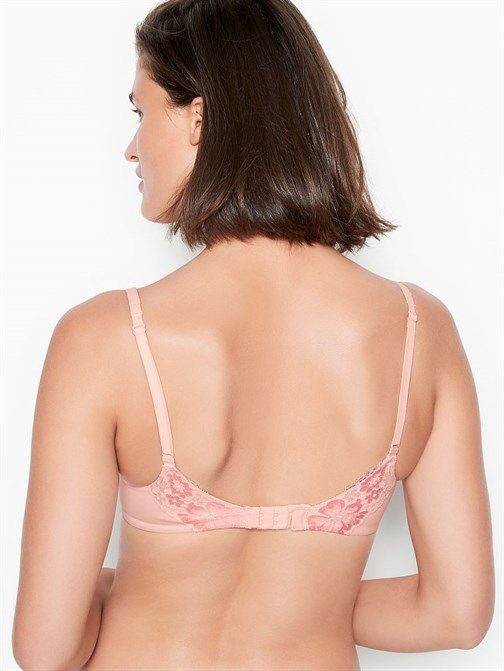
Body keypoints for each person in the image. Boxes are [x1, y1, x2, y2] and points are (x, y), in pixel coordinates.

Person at [12, 1, 494, 669]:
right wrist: (302, 603)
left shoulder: (104, 339)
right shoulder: (419, 333)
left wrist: (134, 596)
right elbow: (456, 613)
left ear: (200, 119)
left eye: (140, 111)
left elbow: (47, 649)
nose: (131, 147)